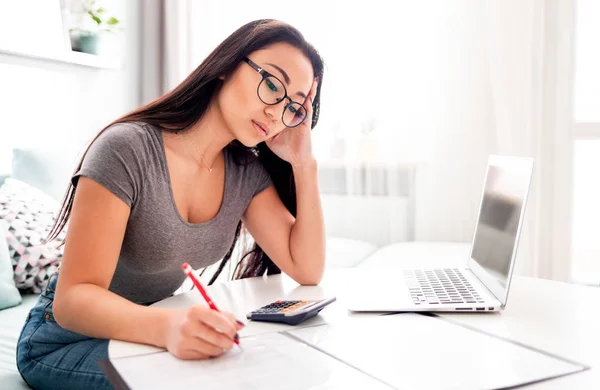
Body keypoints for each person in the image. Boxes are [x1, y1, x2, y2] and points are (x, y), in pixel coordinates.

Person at [16, 19, 325, 390]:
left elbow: (307, 268)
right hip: (61, 340)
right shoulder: (127, 150)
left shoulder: (246, 174)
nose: (277, 113)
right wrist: (168, 327)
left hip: (146, 331)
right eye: (272, 84)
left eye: (293, 107)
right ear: (227, 67)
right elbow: (73, 300)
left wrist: (304, 165)